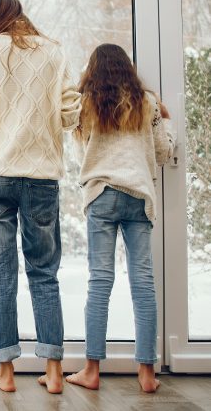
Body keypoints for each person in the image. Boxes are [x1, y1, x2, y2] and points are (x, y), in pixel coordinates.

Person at [0, 0, 82, 393]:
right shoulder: (53, 52)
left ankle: (5, 372)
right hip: (41, 176)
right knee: (45, 273)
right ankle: (55, 371)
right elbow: (68, 114)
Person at [66, 43, 175, 393]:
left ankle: (91, 369)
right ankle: (146, 373)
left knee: (100, 281)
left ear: (93, 70)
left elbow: (81, 151)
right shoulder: (148, 103)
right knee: (142, 282)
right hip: (138, 195)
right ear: (127, 67)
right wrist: (167, 123)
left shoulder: (87, 104)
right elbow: (161, 152)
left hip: (101, 194)